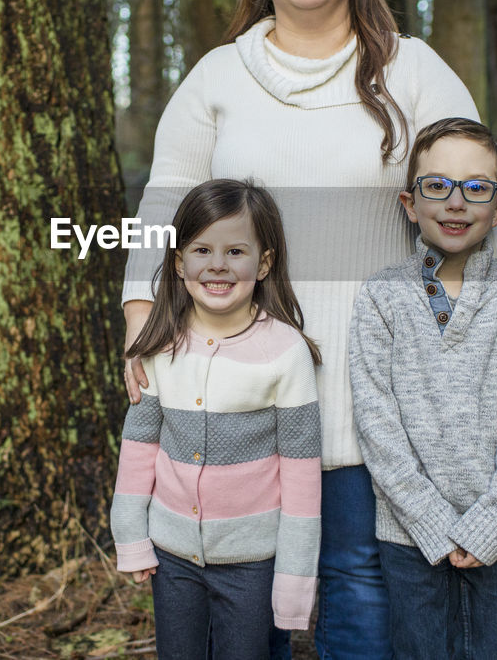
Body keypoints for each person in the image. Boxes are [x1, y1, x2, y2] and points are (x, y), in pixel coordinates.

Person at [121, 0, 497, 658]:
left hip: (376, 368)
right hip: (243, 366)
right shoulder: (218, 76)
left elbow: (472, 177)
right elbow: (165, 202)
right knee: (252, 575)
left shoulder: (409, 69)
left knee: (357, 572)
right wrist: (141, 319)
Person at [348, 118, 497, 659]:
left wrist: (487, 526)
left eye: (476, 187)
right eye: (436, 185)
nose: (456, 202)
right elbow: (376, 422)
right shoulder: (381, 297)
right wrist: (434, 525)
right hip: (410, 533)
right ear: (410, 203)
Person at [111, 179, 323, 660]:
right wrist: (131, 536)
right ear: (179, 261)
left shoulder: (286, 352)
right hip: (172, 557)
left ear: (263, 263)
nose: (218, 265)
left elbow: (302, 478)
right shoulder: (159, 346)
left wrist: (293, 581)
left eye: (235, 250)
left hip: (252, 562)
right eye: (202, 249)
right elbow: (138, 450)